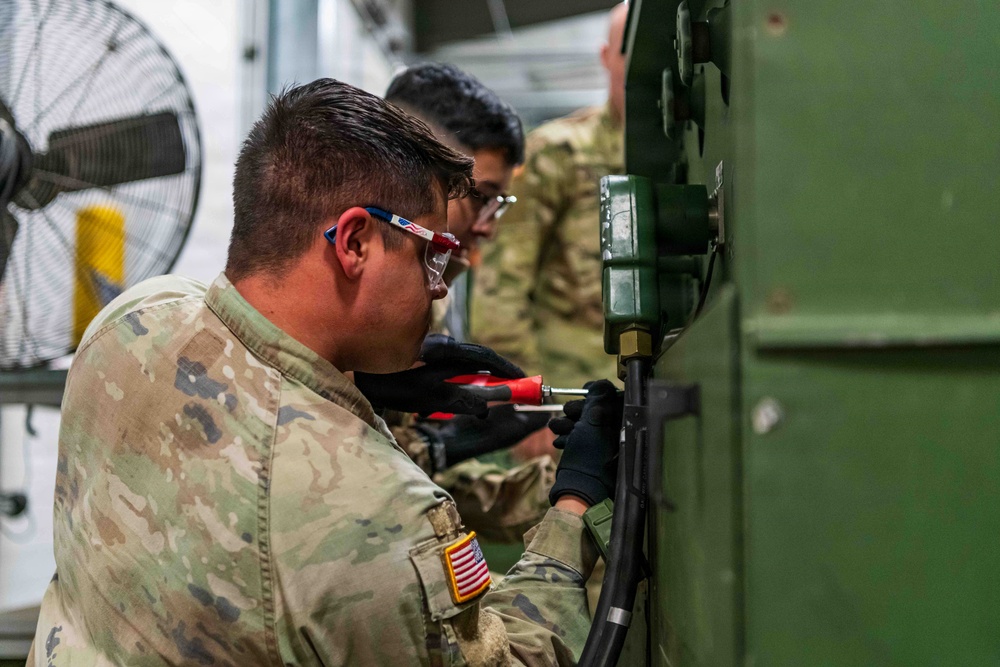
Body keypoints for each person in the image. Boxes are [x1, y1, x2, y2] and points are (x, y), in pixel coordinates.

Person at [28, 79, 622, 666]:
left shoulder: (133, 318)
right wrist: (574, 509)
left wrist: (353, 387)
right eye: (431, 255)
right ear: (355, 242)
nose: (441, 282)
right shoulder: (373, 513)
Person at [362, 63, 552, 544]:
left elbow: (412, 484)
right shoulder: (349, 295)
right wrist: (437, 449)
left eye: (499, 205)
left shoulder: (434, 292)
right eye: (481, 197)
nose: (488, 225)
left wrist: (561, 488)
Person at [471, 2, 629, 390]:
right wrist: (523, 395)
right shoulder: (558, 153)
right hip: (569, 398)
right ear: (606, 57)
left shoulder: (689, 156)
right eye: (628, 50)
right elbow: (500, 290)